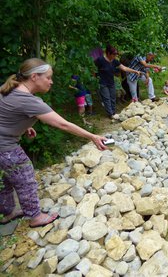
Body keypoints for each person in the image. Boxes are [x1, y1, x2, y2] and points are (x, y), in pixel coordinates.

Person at [0, 58, 108, 228]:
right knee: (25, 175)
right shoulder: (29, 101)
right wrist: (92, 136)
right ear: (34, 77)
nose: (51, 81)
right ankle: (35, 217)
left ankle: (7, 212)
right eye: (48, 77)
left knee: (6, 178)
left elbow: (7, 113)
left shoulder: (10, 90)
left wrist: (22, 127)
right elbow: (62, 124)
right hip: (5, 148)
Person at [94, 44, 142, 118]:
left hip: (111, 82)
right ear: (108, 53)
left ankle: (113, 112)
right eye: (114, 54)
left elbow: (124, 68)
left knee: (113, 97)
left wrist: (135, 71)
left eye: (116, 54)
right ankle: (110, 114)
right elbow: (92, 67)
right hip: (103, 83)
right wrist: (94, 75)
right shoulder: (100, 60)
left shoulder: (114, 61)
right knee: (107, 98)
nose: (115, 56)